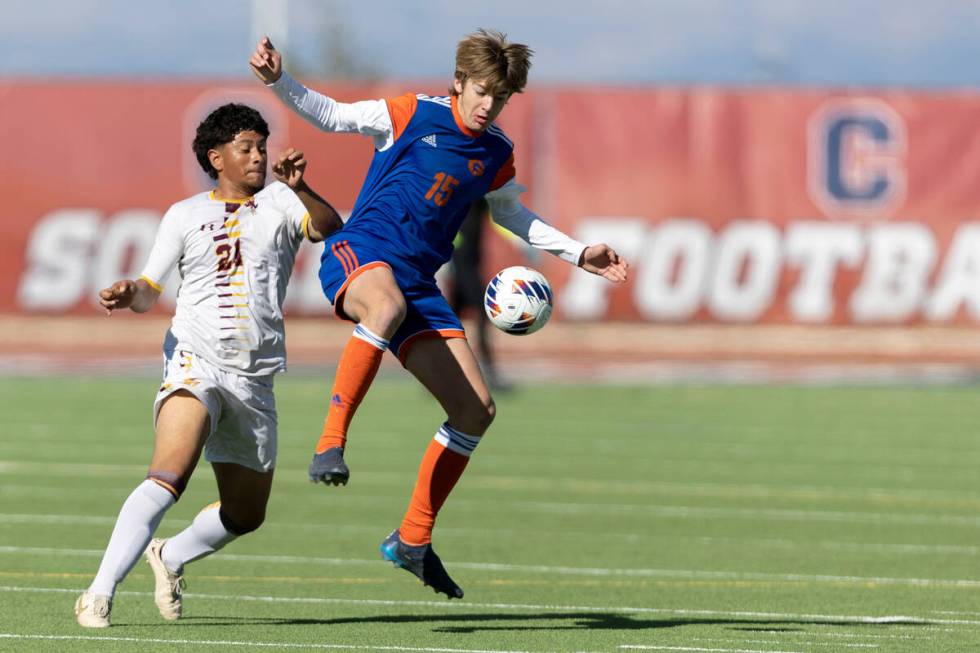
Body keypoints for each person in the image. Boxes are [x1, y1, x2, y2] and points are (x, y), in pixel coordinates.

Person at [250, 29, 628, 600]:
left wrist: (578, 253)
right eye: (481, 92)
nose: (487, 106)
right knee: (385, 304)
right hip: (362, 253)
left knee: (477, 410)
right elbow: (329, 115)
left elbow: (512, 214)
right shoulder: (408, 114)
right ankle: (331, 441)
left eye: (499, 99)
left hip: (418, 284)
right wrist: (280, 80)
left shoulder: (495, 152)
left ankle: (412, 540)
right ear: (459, 81)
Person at [73, 103, 342, 628]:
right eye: (246, 148)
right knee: (168, 475)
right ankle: (97, 594)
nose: (258, 156)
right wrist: (131, 291)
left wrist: (302, 187)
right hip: (195, 361)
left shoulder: (285, 203)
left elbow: (329, 226)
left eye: (262, 147)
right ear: (217, 157)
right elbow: (151, 291)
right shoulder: (184, 214)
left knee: (246, 515)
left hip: (254, 379)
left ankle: (169, 556)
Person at [449, 199, 507, 390]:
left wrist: (521, 241)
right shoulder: (459, 192)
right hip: (462, 264)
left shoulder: (481, 194)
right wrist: (455, 241)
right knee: (482, 312)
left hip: (472, 262)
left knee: (449, 321)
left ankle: (443, 370)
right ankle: (489, 372)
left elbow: (499, 218)